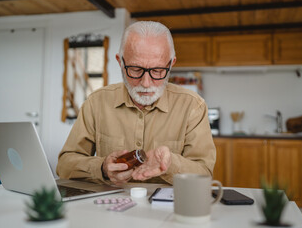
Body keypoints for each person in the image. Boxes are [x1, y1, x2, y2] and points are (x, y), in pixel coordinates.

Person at [56, 21, 216, 185]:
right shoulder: (96, 102)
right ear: (120, 62)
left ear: (171, 64)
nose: (146, 83)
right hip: (109, 208)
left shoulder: (193, 107)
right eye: (136, 70)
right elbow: (64, 165)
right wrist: (102, 168)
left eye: (157, 71)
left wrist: (171, 164)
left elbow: (204, 174)